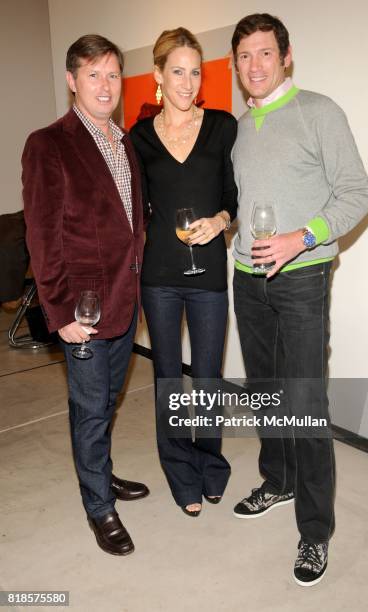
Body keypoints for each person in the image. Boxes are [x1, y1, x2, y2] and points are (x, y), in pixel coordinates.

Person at [230, 14, 368, 586]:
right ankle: (278, 480)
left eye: (265, 53)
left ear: (286, 57)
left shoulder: (318, 112)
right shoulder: (241, 127)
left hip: (302, 278)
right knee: (265, 392)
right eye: (244, 56)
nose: (255, 66)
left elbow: (357, 194)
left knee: (306, 402)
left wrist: (302, 236)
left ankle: (315, 532)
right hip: (247, 277)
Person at [22, 34, 149, 556]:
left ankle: (102, 473)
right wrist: (59, 312)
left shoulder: (124, 141)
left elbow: (129, 222)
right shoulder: (48, 143)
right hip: (85, 312)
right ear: (72, 81)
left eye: (113, 74)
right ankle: (98, 505)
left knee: (103, 403)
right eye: (93, 74)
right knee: (92, 408)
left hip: (125, 300)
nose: (105, 85)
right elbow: (42, 234)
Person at [130, 27, 237, 517]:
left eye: (196, 72)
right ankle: (180, 470)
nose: (188, 82)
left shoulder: (222, 126)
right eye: (177, 71)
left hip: (210, 271)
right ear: (158, 75)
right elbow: (131, 207)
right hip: (161, 276)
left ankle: (211, 464)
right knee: (170, 379)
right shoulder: (140, 138)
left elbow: (232, 196)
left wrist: (220, 220)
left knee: (209, 378)